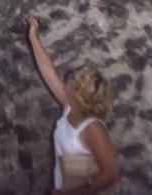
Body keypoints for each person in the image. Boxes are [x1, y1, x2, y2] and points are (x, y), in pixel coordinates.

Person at [26, 15, 119, 194]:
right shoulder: (71, 108)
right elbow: (48, 70)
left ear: (78, 92)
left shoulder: (93, 128)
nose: (65, 82)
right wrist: (33, 35)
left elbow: (110, 175)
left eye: (70, 81)